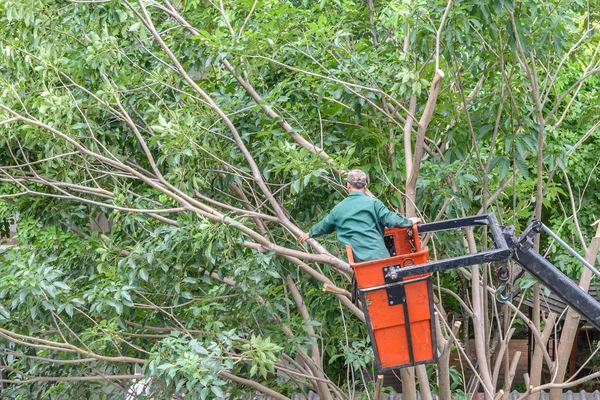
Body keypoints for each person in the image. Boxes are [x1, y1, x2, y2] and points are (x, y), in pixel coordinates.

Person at [299, 170, 421, 263]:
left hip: (360, 263)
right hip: (381, 257)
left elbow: (324, 226)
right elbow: (390, 219)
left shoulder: (338, 210)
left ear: (348, 185)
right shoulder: (374, 203)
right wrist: (409, 222)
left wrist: (310, 233)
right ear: (365, 185)